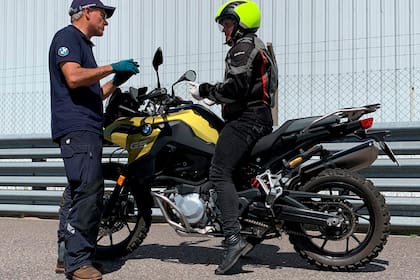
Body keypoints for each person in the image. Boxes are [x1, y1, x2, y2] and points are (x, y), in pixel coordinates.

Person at [48, 0, 139, 279]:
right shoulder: (67, 37)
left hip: (86, 127)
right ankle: (78, 263)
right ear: (86, 12)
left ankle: (67, 258)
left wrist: (115, 82)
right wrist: (112, 66)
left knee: (78, 192)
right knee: (88, 194)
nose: (106, 21)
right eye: (103, 14)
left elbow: (92, 95)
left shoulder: (83, 45)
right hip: (77, 130)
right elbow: (74, 78)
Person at [188, 0, 278, 275]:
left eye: (226, 24)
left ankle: (233, 240)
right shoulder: (251, 45)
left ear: (240, 24)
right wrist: (219, 99)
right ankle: (249, 232)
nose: (223, 30)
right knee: (237, 175)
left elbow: (235, 88)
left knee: (219, 172)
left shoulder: (244, 47)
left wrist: (205, 91)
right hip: (252, 116)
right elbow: (242, 88)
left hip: (247, 120)